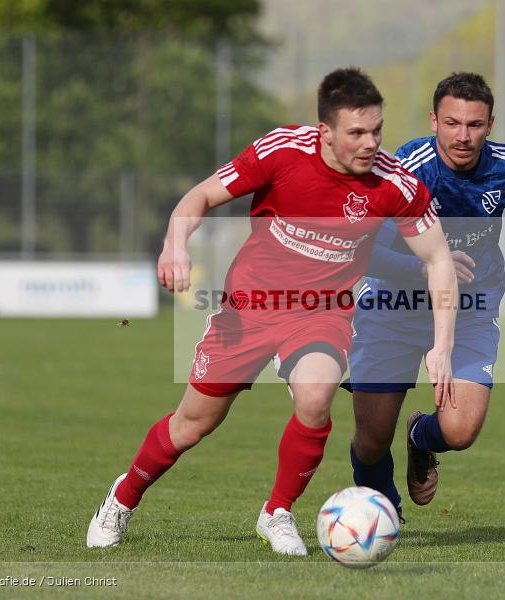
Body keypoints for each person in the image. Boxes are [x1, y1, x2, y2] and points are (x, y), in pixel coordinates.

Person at [86, 67, 458, 555]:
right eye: (357, 133)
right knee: (192, 425)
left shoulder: (395, 184)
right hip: (251, 307)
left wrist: (442, 346)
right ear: (325, 131)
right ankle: (122, 498)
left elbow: (438, 259)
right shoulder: (282, 151)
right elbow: (201, 195)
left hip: (322, 312)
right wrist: (175, 244)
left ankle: (277, 512)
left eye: (376, 130)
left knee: (316, 396)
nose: (370, 143)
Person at [346, 72, 505, 518]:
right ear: (434, 121)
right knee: (371, 439)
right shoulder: (405, 170)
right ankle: (383, 512)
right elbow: (363, 251)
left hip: (470, 305)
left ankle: (420, 436)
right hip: (394, 304)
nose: (463, 136)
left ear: (490, 124)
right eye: (452, 123)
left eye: (475, 125)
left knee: (460, 430)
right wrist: (425, 269)